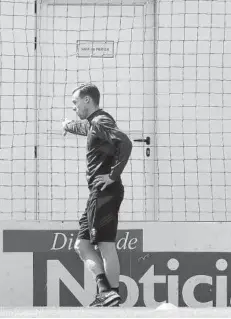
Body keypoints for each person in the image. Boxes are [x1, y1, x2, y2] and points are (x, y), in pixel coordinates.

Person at [62, 83, 132, 307]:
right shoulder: (95, 123)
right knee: (82, 245)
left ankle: (112, 296)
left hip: (105, 191)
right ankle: (105, 292)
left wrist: (113, 175)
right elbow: (85, 129)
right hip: (97, 192)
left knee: (105, 245)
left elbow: (126, 142)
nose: (74, 107)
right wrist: (68, 125)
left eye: (75, 102)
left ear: (87, 101)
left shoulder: (101, 121)